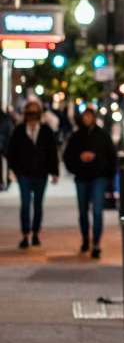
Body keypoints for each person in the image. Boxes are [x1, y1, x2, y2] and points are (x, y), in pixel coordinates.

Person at [63, 107, 117, 258]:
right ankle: (86, 238)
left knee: (98, 211)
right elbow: (68, 156)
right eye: (85, 116)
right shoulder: (77, 136)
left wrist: (105, 171)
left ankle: (96, 242)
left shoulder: (102, 136)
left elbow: (111, 156)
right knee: (82, 211)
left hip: (98, 177)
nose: (87, 119)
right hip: (82, 177)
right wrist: (79, 161)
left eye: (90, 116)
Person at [6, 99, 59, 247]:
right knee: (25, 204)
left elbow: (52, 152)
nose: (32, 117)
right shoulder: (19, 131)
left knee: (37, 205)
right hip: (24, 174)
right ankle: (25, 234)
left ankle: (35, 233)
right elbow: (12, 152)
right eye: (30, 113)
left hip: (41, 174)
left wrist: (54, 172)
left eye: (35, 113)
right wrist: (14, 170)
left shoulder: (46, 131)